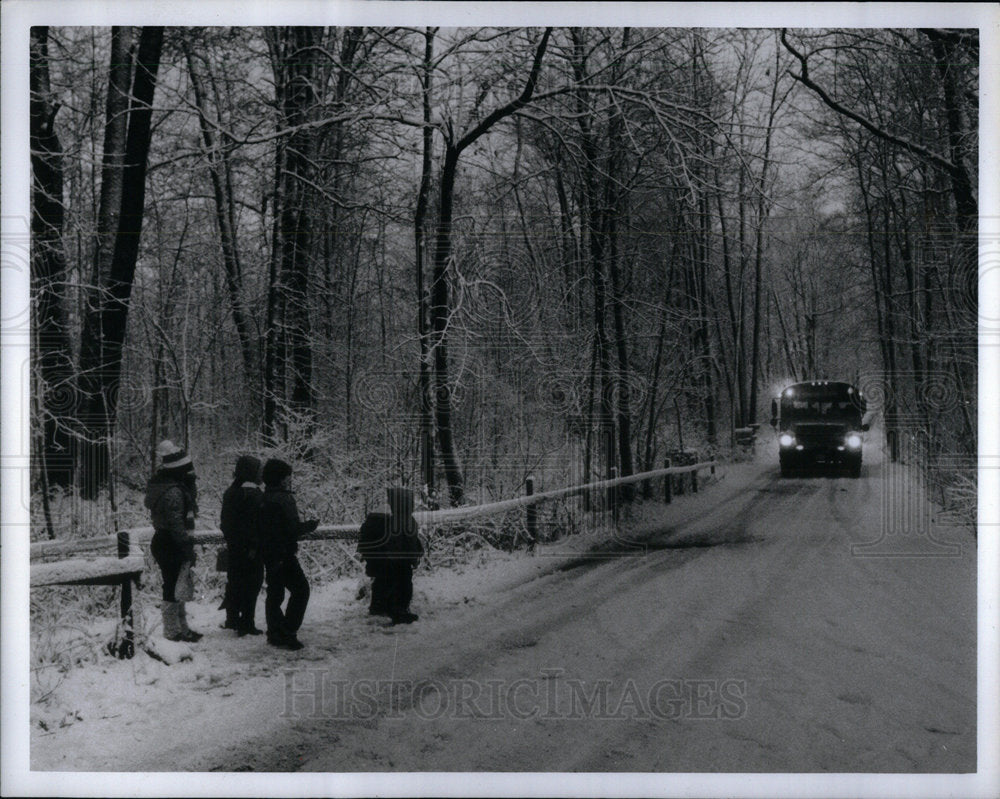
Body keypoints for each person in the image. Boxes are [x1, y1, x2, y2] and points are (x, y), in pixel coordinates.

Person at [144, 440, 202, 643]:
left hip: (165, 541)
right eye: (187, 469)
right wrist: (186, 547)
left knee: (175, 585)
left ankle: (180, 629)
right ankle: (173, 631)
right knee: (172, 587)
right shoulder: (174, 492)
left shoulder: (166, 487)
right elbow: (176, 523)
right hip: (171, 542)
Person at [260, 459, 318, 650]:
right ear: (281, 478)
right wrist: (309, 526)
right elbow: (292, 529)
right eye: (287, 476)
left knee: (275, 593)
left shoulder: (263, 497)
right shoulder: (284, 499)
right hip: (284, 553)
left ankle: (275, 632)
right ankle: (287, 631)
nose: (289, 480)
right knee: (301, 590)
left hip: (269, 553)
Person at [357, 487, 423, 625]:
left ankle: (378, 608)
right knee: (403, 583)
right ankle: (400, 612)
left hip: (378, 559)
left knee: (382, 582)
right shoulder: (404, 518)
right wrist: (414, 558)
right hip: (397, 559)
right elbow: (410, 541)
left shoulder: (378, 513)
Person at [219, 455, 265, 636]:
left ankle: (232, 619)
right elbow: (258, 524)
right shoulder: (254, 495)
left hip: (235, 548)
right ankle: (246, 623)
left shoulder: (231, 492)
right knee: (252, 584)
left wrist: (234, 540)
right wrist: (254, 545)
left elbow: (225, 523)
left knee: (235, 582)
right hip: (252, 549)